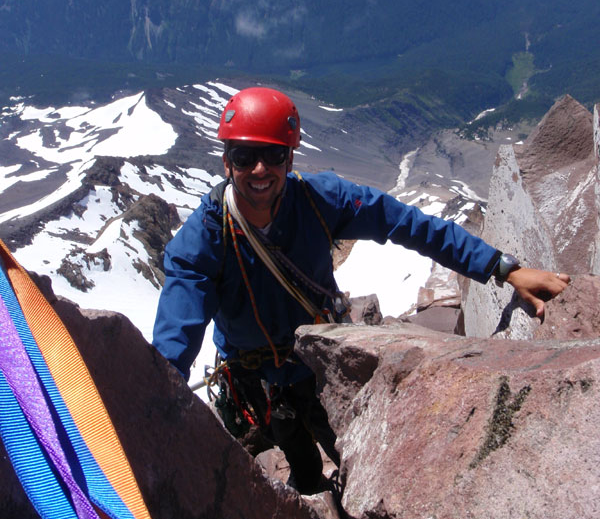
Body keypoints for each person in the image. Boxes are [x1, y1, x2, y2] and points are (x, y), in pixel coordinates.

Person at [153, 86, 570, 493]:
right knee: (297, 453)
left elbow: (408, 224)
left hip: (319, 364)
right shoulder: (204, 240)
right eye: (245, 157)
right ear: (227, 162)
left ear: (290, 157)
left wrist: (501, 268)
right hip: (256, 381)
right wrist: (152, 405)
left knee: (354, 455)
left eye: (274, 155)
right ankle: (312, 494)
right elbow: (177, 331)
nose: (260, 170)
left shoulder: (320, 200)